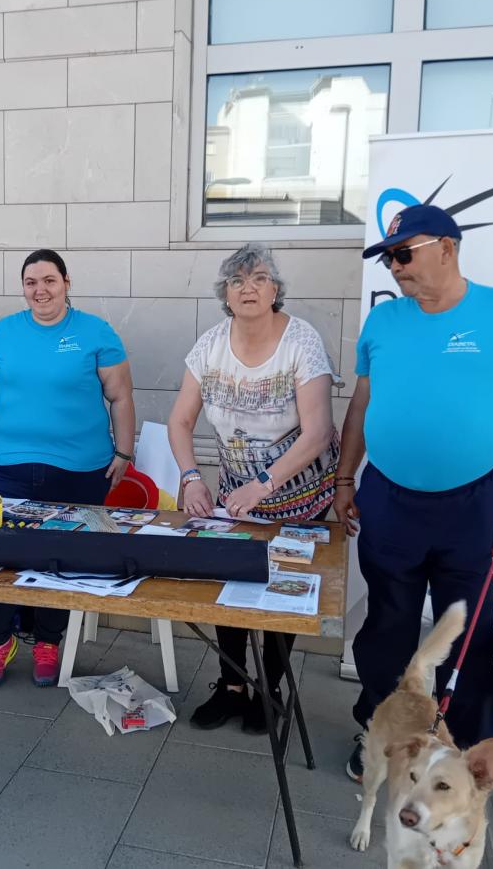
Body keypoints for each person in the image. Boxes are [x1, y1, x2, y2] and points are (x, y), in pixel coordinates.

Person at [335, 204, 493, 779]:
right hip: (388, 497)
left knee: (467, 633)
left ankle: (465, 753)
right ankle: (384, 738)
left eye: (403, 254)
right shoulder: (383, 322)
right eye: (388, 258)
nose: (394, 267)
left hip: (476, 502)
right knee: (387, 627)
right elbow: (361, 405)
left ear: (447, 248)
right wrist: (343, 477)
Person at [168, 242, 339, 733]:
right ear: (225, 292)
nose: (248, 287)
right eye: (237, 280)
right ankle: (232, 685)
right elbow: (180, 421)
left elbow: (318, 432)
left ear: (276, 290)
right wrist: (191, 477)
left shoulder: (301, 342)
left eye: (259, 278)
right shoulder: (210, 346)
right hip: (237, 495)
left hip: (300, 495)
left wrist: (265, 484)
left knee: (285, 590)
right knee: (231, 586)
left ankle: (271, 689)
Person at [0, 249, 135, 689]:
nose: (39, 290)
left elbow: (120, 397)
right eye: (31, 282)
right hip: (2, 468)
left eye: (49, 280)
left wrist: (123, 453)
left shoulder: (95, 332)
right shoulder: (5, 332)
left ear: (66, 282)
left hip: (79, 470)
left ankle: (48, 641)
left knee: (61, 559)